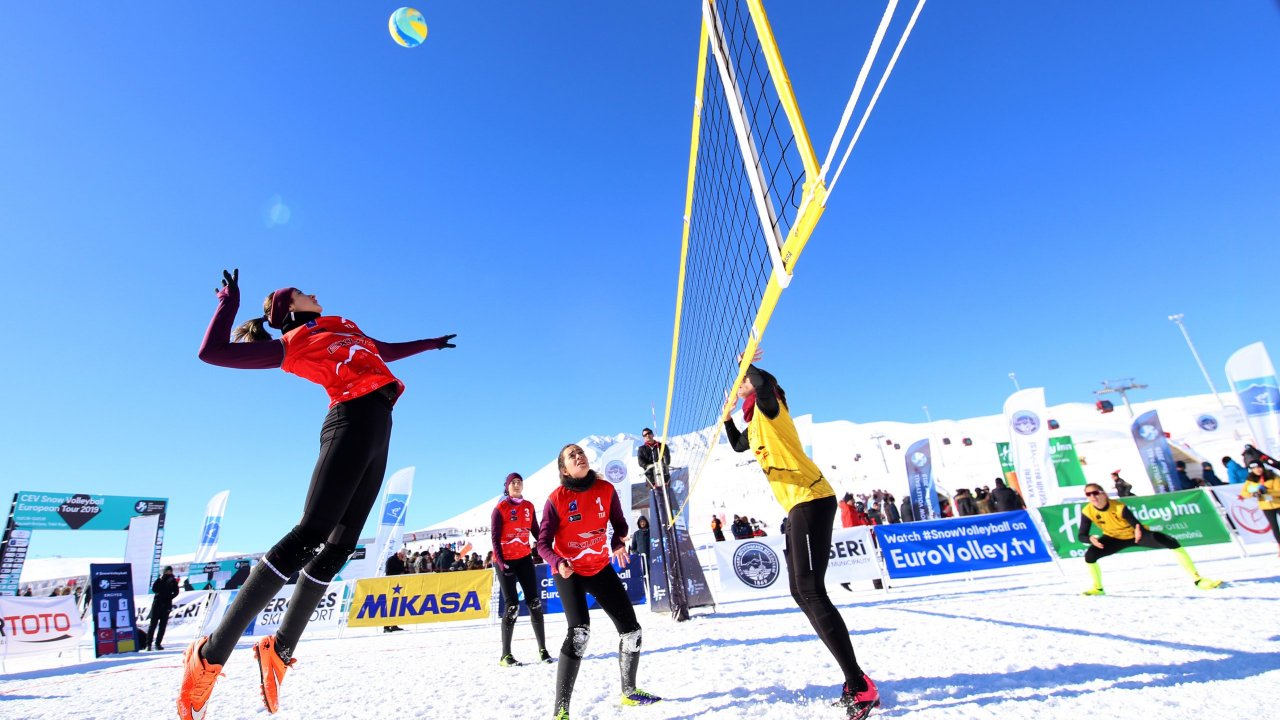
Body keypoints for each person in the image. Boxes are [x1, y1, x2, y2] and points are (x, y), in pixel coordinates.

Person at [179, 269, 456, 719]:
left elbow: (383, 350)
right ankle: (209, 654)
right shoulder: (291, 345)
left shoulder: (344, 326)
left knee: (340, 546)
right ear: (290, 307)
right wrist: (228, 302)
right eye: (307, 293)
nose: (317, 294)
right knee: (309, 533)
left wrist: (428, 344)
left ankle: (279, 650)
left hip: (379, 425)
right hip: (347, 421)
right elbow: (211, 352)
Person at [722, 355, 878, 719]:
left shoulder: (771, 407)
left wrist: (747, 362)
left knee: (811, 590)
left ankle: (859, 684)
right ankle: (854, 679)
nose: (741, 384)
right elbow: (738, 446)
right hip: (797, 506)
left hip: (812, 498)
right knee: (800, 591)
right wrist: (726, 419)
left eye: (744, 381)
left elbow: (761, 384)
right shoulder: (756, 423)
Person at [538, 444, 661, 718]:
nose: (579, 456)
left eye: (580, 452)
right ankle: (561, 711)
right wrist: (558, 562)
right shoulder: (555, 499)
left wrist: (618, 543)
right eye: (572, 456)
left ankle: (629, 691)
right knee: (579, 633)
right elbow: (543, 543)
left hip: (600, 567)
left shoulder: (605, 490)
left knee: (632, 631)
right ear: (563, 469)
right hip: (569, 571)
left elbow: (620, 524)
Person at [1077, 483, 1222, 596]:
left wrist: (1138, 529)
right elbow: (1081, 535)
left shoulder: (1119, 507)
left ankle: (1198, 580)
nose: (1092, 497)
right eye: (1088, 494)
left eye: (1095, 493)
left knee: (1171, 541)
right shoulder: (1088, 511)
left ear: (1104, 494)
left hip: (1136, 535)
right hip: (1114, 538)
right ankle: (1098, 588)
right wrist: (1091, 539)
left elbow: (1135, 523)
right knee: (1090, 555)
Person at [491, 472, 551, 667]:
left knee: (534, 602)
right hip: (505, 561)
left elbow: (536, 531)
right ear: (507, 487)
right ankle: (505, 655)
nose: (517, 485)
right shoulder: (500, 509)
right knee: (512, 606)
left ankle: (543, 650)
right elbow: (494, 538)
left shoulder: (529, 507)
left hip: (524, 558)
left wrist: (549, 545)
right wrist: (501, 562)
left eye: (519, 482)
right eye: (513, 483)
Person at [1241, 461, 1280, 555]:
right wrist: (1253, 494)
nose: (1257, 470)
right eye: (1254, 469)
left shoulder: (1272, 476)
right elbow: (1243, 493)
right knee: (1274, 527)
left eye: (1259, 467)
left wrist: (1267, 491)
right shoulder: (1250, 479)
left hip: (1278, 503)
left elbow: (1278, 491)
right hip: (1265, 506)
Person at [147, 566, 181, 651]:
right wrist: (160, 580)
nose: (169, 572)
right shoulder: (160, 579)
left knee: (162, 626)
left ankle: (158, 644)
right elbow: (154, 589)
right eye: (167, 571)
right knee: (153, 625)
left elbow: (176, 591)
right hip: (157, 604)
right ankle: (148, 644)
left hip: (166, 605)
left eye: (170, 571)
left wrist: (170, 597)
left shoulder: (173, 580)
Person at [382, 549, 407, 633]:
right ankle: (386, 626)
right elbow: (388, 572)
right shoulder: (390, 560)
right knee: (389, 605)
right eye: (403, 556)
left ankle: (394, 625)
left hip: (398, 586)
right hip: (390, 586)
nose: (403, 557)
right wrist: (399, 573)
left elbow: (402, 570)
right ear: (399, 554)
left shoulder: (401, 561)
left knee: (396, 605)